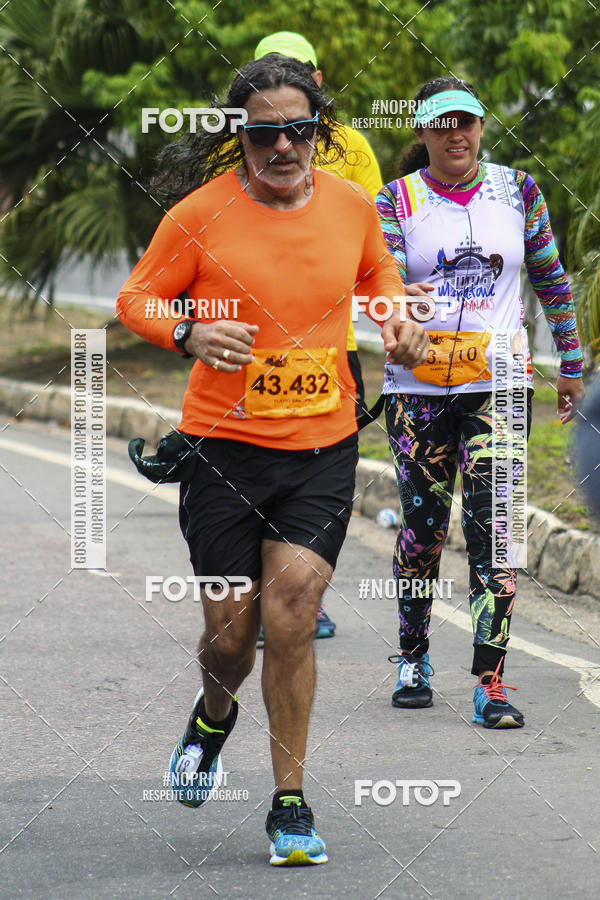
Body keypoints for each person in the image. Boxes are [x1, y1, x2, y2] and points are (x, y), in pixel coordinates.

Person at [117, 55, 428, 865]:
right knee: (231, 635)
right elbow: (137, 298)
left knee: (293, 610)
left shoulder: (353, 207)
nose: (283, 147)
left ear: (318, 131)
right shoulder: (197, 214)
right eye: (265, 133)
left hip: (320, 445)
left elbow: (378, 273)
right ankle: (213, 714)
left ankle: (289, 802)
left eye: (299, 129)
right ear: (240, 135)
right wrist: (187, 332)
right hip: (221, 450)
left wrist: (395, 319)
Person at [376, 76, 585, 727]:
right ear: (422, 132)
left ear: (481, 127)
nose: (455, 134)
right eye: (441, 124)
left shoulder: (517, 191)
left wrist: (572, 364)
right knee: (423, 532)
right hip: (417, 391)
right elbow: (375, 285)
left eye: (465, 121)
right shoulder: (394, 201)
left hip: (499, 384)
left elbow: (551, 278)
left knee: (497, 530)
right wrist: (393, 310)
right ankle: (413, 656)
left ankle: (491, 682)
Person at [253, 31, 384, 639]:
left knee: (319, 468)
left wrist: (397, 313)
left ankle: (304, 590)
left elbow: (375, 243)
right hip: (251, 349)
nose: (282, 142)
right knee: (249, 468)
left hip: (334, 347)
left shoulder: (351, 147)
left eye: (300, 73)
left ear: (319, 81)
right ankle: (251, 588)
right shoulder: (247, 139)